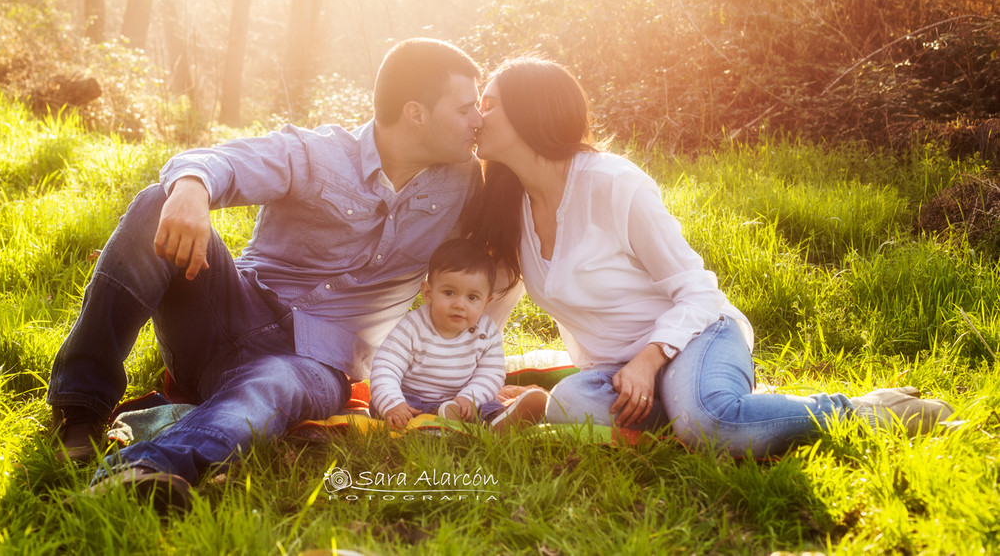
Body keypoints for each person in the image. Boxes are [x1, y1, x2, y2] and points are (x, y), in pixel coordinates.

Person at [47, 38, 489, 510]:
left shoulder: (465, 184)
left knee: (272, 384)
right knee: (160, 200)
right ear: (416, 113)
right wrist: (192, 188)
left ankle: (144, 472)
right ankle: (79, 409)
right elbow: (220, 160)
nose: (478, 121)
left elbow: (505, 247)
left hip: (314, 364)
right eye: (466, 110)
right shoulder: (316, 153)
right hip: (227, 313)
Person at [466, 57, 954, 457]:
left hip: (695, 337)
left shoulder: (613, 184)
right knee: (569, 404)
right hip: (615, 373)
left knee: (712, 424)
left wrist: (650, 358)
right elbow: (486, 311)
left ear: (530, 112)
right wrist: (443, 381)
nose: (475, 117)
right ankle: (715, 410)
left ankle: (867, 411)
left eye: (487, 104)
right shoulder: (508, 202)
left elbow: (698, 291)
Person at [370, 237, 549, 430]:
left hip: (462, 402)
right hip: (412, 402)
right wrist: (392, 403)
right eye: (449, 293)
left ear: (486, 303)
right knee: (386, 407)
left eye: (472, 297)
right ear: (428, 293)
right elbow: (386, 367)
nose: (459, 304)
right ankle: (435, 420)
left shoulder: (486, 332)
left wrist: (470, 398)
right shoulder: (412, 327)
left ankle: (500, 420)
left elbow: (491, 374)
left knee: (487, 404)